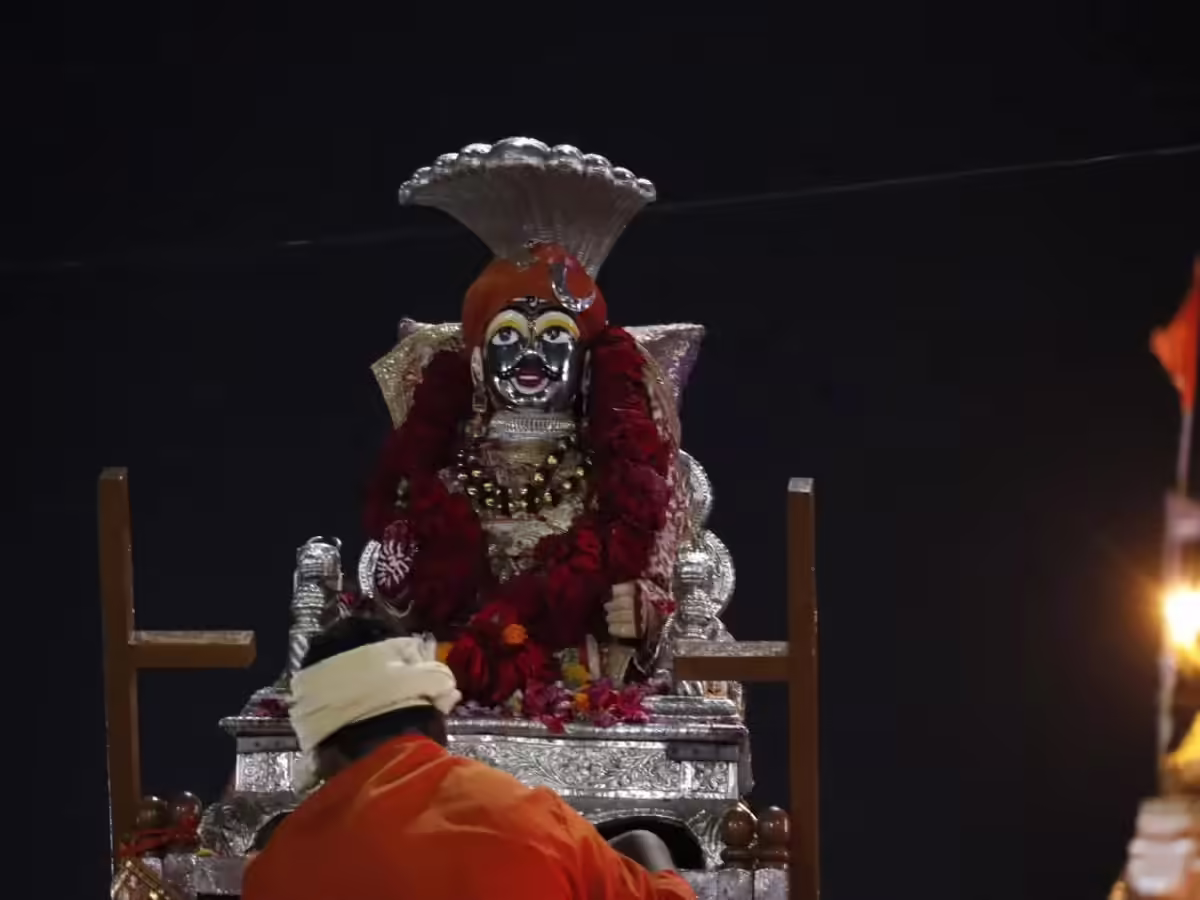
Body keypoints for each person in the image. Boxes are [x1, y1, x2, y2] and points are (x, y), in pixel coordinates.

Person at [243, 616, 695, 900]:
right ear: (437, 723)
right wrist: (650, 853)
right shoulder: (532, 819)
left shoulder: (279, 869)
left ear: (325, 749)